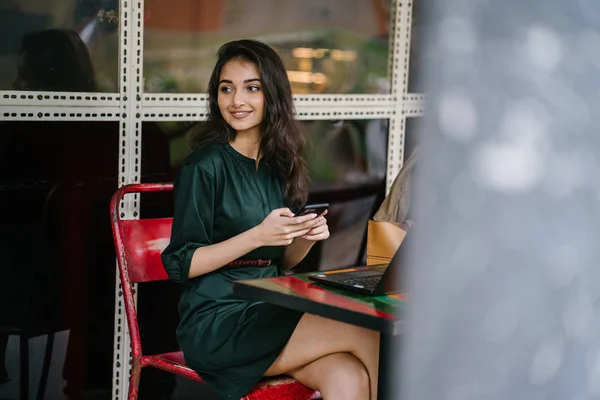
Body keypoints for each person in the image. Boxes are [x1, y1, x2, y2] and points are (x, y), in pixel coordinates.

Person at [161, 39, 380, 400]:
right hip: (219, 321)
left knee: (349, 375)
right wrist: (256, 235)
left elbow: (284, 259)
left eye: (252, 88)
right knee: (367, 331)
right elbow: (181, 264)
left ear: (273, 95)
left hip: (272, 308)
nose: (236, 101)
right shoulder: (205, 166)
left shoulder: (280, 166)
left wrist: (306, 236)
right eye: (226, 89)